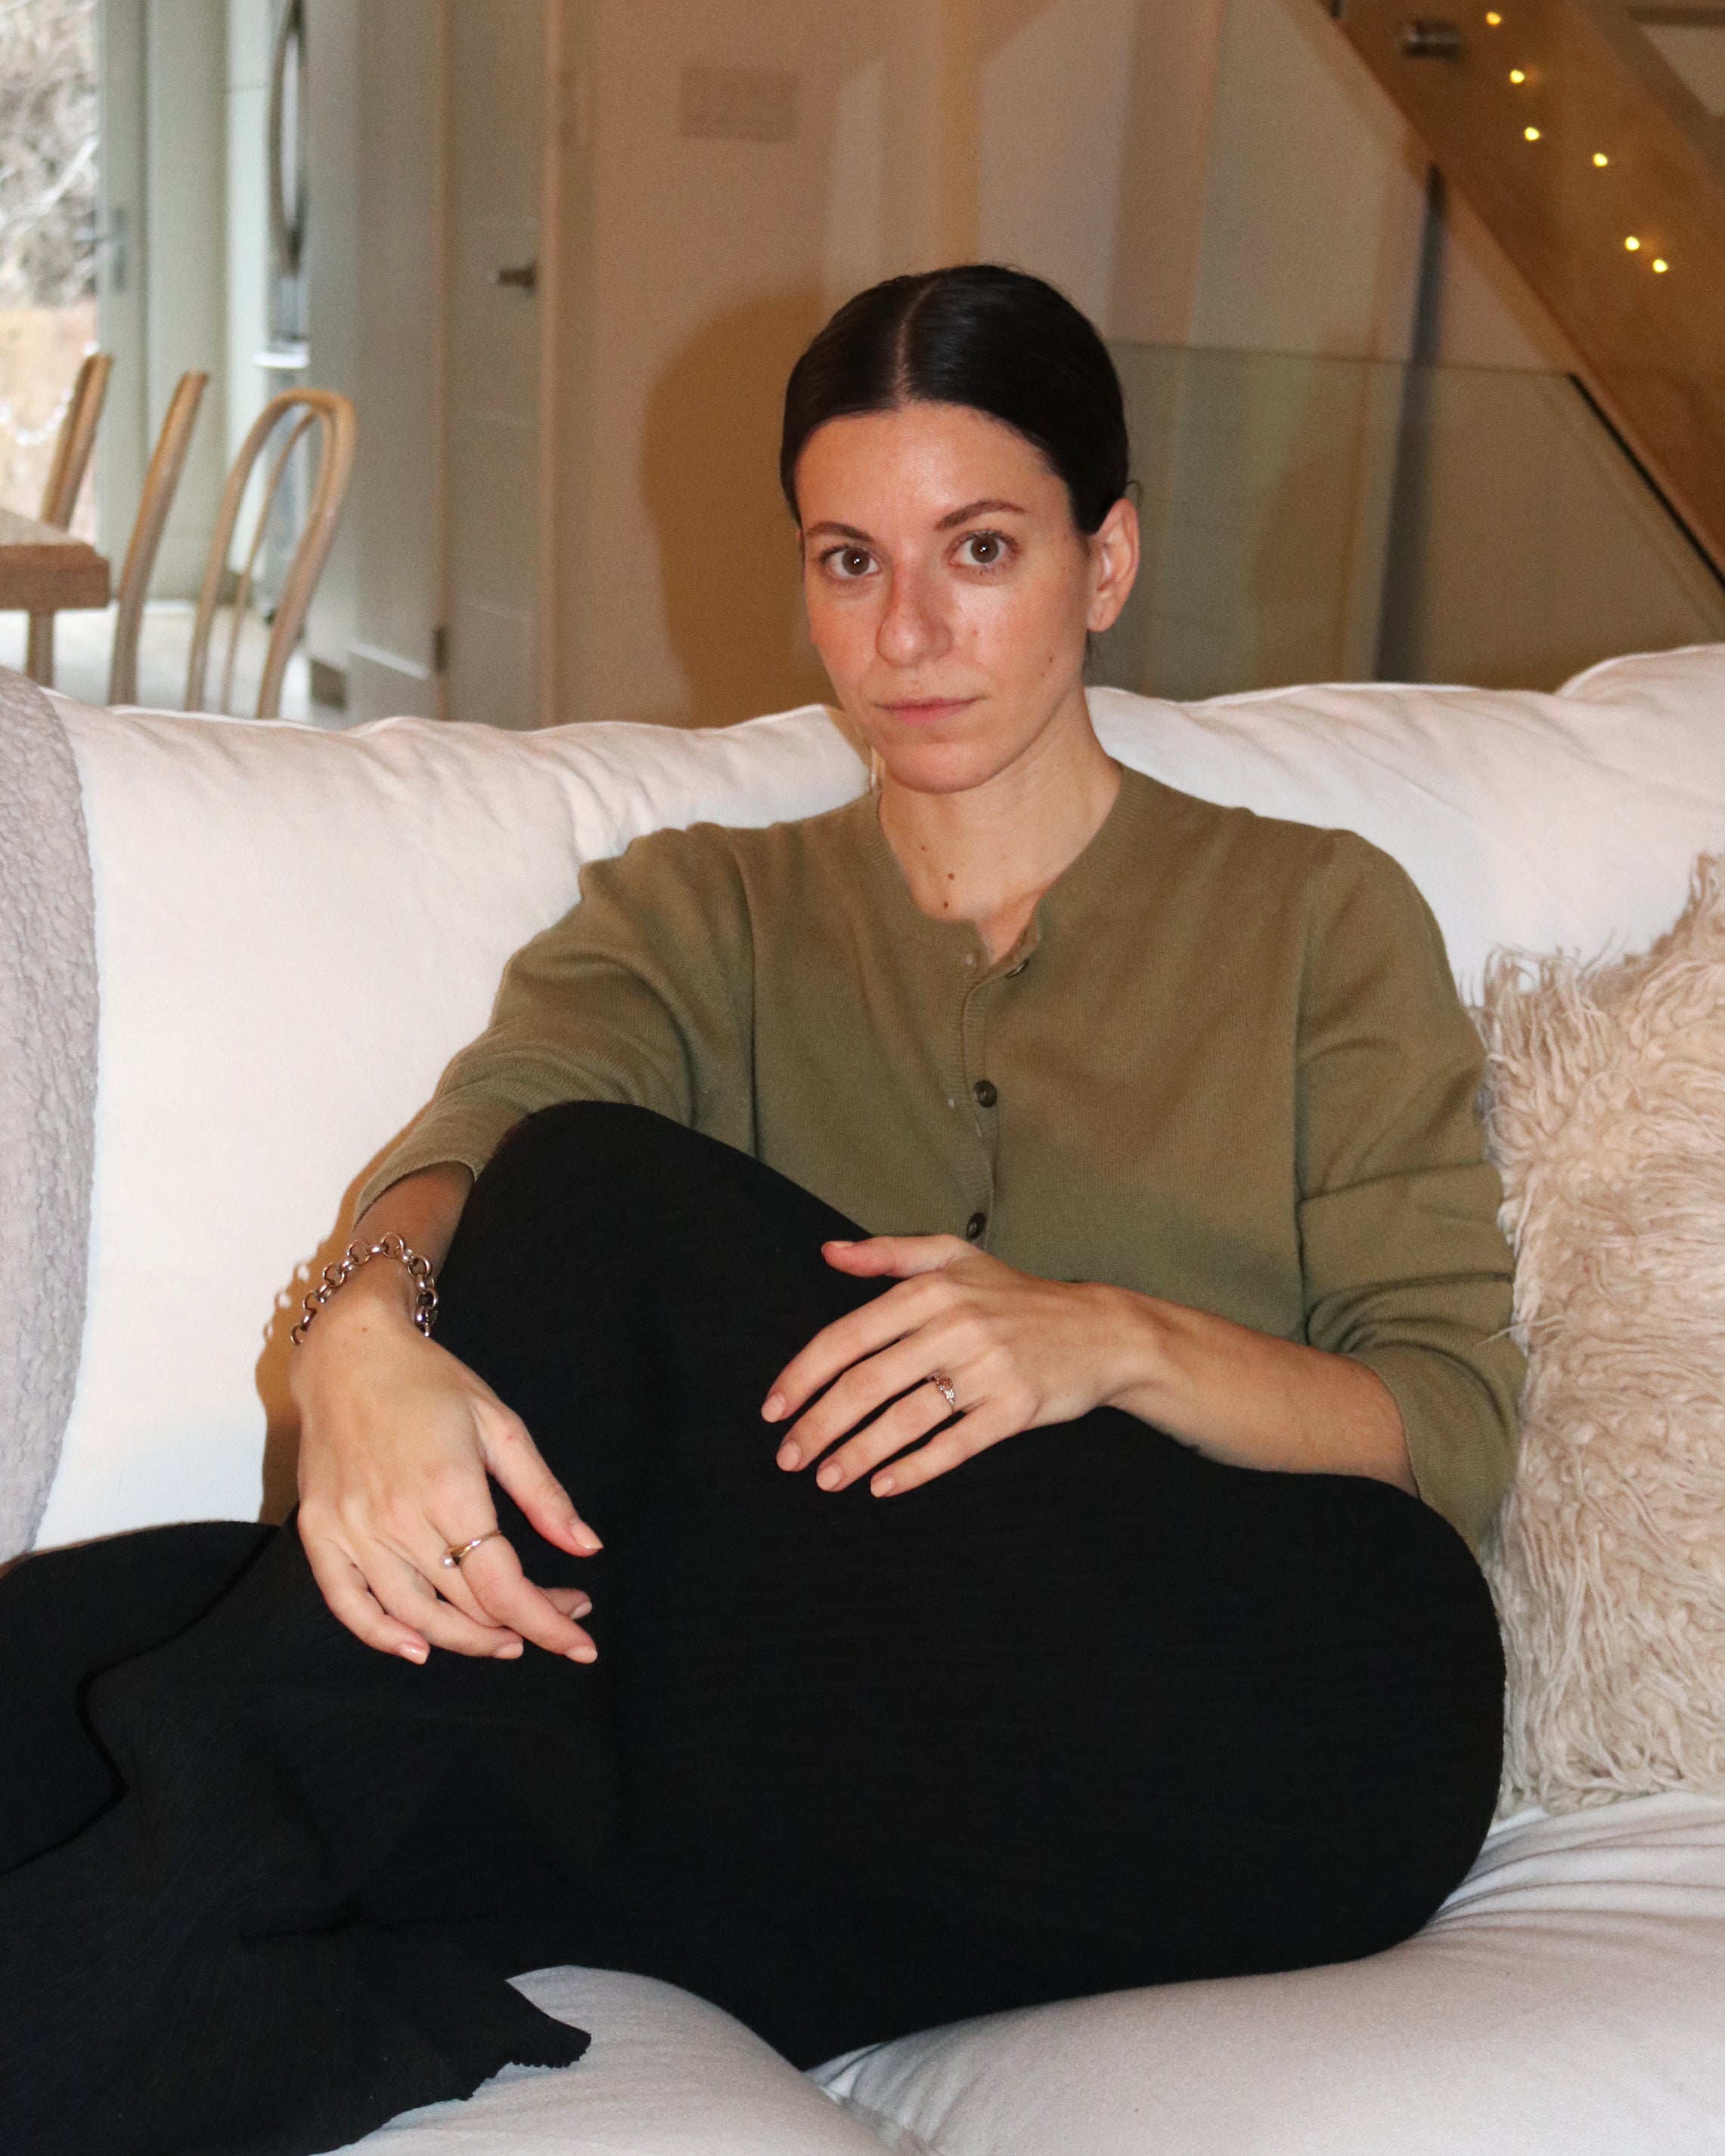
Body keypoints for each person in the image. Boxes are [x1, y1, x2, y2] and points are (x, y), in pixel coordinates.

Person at [0, 265, 1519, 2156]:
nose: (911, 630)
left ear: (1104, 561)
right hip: (824, 1728)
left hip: (1276, 1706)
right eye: (849, 561)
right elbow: (498, 1115)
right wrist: (367, 1330)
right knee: (72, 1653)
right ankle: (303, 1978)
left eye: (980, 547)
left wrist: (1110, 1338)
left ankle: (115, 1992)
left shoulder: (1313, 913)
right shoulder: (703, 907)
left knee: (600, 1207)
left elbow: (1445, 1424)